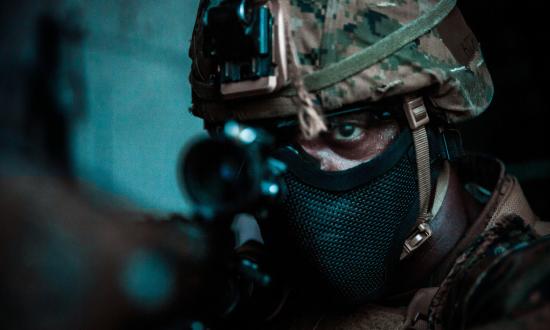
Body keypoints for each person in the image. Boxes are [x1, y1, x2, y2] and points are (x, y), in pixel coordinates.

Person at [187, 0, 550, 329]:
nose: (303, 176)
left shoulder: (527, 290)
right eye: (267, 144)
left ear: (428, 119)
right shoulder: (254, 296)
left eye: (346, 130)